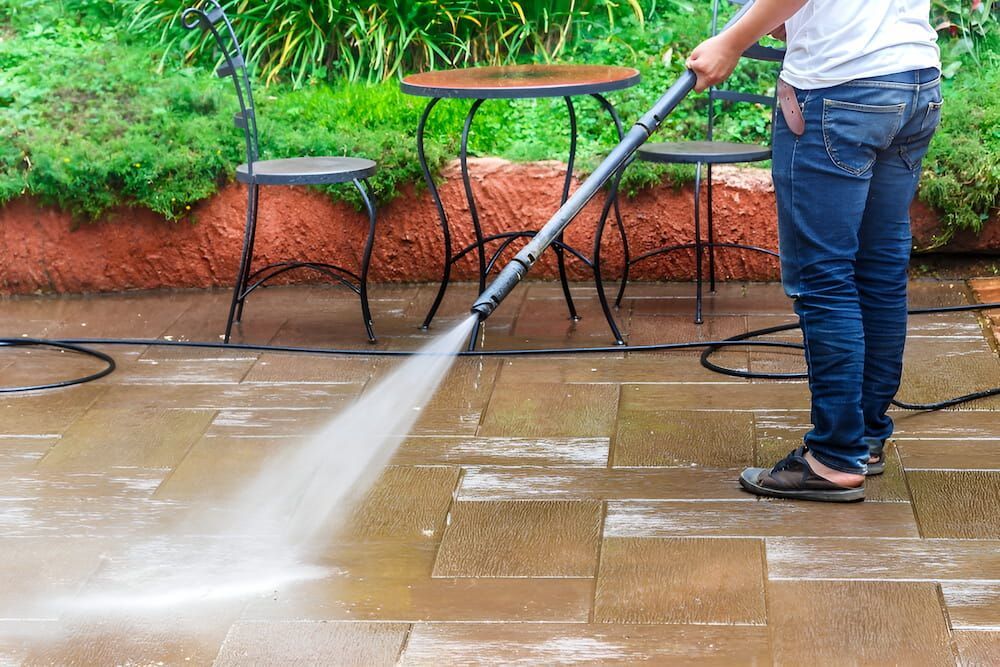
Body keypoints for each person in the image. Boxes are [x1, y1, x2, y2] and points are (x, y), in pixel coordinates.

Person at [686, 0, 943, 501]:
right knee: (878, 273)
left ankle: (834, 457)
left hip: (841, 89)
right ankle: (865, 437)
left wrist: (730, 43)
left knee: (825, 277)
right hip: (913, 81)